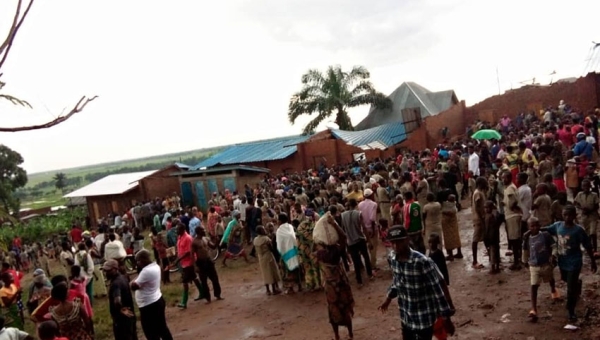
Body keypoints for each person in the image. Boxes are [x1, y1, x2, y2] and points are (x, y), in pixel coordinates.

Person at [378, 226, 455, 339]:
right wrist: (388, 299)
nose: (395, 246)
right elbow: (397, 282)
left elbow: (437, 291)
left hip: (423, 319)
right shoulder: (393, 260)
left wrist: (446, 318)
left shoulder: (422, 262)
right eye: (392, 243)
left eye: (399, 242)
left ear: (407, 240)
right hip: (406, 316)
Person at [542, 205, 597, 323]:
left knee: (570, 288)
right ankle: (577, 283)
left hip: (575, 261)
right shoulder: (558, 226)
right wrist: (534, 229)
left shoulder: (578, 230)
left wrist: (593, 261)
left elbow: (587, 246)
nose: (567, 217)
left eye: (569, 215)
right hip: (563, 261)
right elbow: (547, 229)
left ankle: (571, 310)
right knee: (566, 279)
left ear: (574, 216)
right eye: (564, 215)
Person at [315, 214, 354, 340]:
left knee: (333, 311)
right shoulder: (337, 250)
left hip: (330, 286)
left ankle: (337, 336)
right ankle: (350, 334)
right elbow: (343, 236)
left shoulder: (320, 254)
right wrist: (334, 225)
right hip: (341, 281)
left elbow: (316, 243)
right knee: (345, 308)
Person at [130, 249, 173, 340]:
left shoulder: (146, 271)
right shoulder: (155, 266)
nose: (137, 263)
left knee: (150, 332)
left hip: (149, 306)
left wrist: (132, 282)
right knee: (162, 328)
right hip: (156, 300)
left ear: (143, 260)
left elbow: (133, 286)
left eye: (138, 261)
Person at [522, 217, 558, 322]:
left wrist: (553, 255)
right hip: (533, 265)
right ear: (528, 227)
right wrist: (525, 261)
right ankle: (534, 309)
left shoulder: (545, 235)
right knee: (534, 286)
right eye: (532, 226)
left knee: (550, 278)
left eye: (537, 225)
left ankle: (553, 289)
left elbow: (554, 246)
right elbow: (525, 251)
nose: (535, 228)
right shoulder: (527, 238)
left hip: (546, 263)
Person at [341, 199, 373, 286]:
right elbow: (364, 228)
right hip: (360, 238)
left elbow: (343, 230)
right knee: (366, 257)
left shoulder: (342, 215)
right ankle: (370, 274)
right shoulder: (358, 214)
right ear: (355, 205)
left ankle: (359, 281)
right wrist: (369, 240)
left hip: (350, 241)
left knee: (355, 261)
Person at [103, 259, 138, 340]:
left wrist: (121, 309)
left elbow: (117, 301)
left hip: (121, 320)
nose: (106, 273)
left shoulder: (115, 283)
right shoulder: (123, 277)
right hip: (130, 316)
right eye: (105, 270)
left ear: (115, 269)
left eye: (108, 270)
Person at [172, 223, 203, 309]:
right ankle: (202, 292)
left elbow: (188, 252)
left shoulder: (188, 238)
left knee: (185, 282)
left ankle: (184, 302)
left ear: (182, 229)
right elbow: (180, 249)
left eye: (178, 229)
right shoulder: (180, 237)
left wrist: (178, 260)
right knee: (194, 277)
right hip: (184, 262)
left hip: (189, 262)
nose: (176, 231)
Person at [192, 226, 223, 303]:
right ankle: (208, 298)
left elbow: (213, 247)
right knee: (204, 281)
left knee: (215, 278)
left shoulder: (205, 238)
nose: (204, 231)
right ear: (198, 232)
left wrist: (216, 241)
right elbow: (191, 255)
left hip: (209, 261)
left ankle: (217, 295)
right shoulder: (194, 242)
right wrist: (195, 266)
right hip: (201, 262)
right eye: (202, 230)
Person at [276, 213, 302, 294]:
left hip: (286, 253)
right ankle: (299, 285)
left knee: (287, 271)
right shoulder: (290, 227)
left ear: (280, 221)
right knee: (296, 269)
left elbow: (279, 244)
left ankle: (290, 288)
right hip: (294, 251)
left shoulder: (280, 230)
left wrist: (281, 251)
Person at [253, 226, 282, 295]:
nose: (265, 230)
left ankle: (268, 290)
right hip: (268, 256)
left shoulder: (255, 240)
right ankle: (274, 289)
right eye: (263, 229)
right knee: (272, 272)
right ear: (261, 231)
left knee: (265, 273)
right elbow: (271, 248)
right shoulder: (266, 239)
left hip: (261, 257)